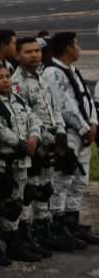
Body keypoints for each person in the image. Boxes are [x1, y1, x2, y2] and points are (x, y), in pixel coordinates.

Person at [0, 62, 42, 264]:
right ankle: (4, 244)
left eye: (7, 76)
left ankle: (19, 239)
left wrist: (34, 138)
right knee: (8, 204)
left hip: (24, 159)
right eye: (0, 77)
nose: (6, 80)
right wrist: (20, 143)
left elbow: (34, 119)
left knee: (23, 199)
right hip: (4, 162)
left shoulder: (18, 99)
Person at [11, 37, 67, 253]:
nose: (34, 55)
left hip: (52, 141)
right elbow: (25, 117)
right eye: (28, 51)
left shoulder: (43, 79)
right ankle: (26, 234)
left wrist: (60, 133)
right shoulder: (17, 83)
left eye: (37, 51)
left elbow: (55, 109)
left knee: (46, 187)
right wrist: (45, 140)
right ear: (17, 55)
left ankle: (44, 229)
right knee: (29, 190)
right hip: (35, 143)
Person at [44, 31, 99, 246]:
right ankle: (57, 224)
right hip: (70, 133)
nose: (79, 47)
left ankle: (72, 219)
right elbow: (64, 105)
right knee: (62, 180)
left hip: (83, 132)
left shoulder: (71, 70)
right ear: (68, 48)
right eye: (76, 44)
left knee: (78, 180)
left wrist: (93, 122)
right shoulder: (53, 73)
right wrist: (84, 127)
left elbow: (84, 99)